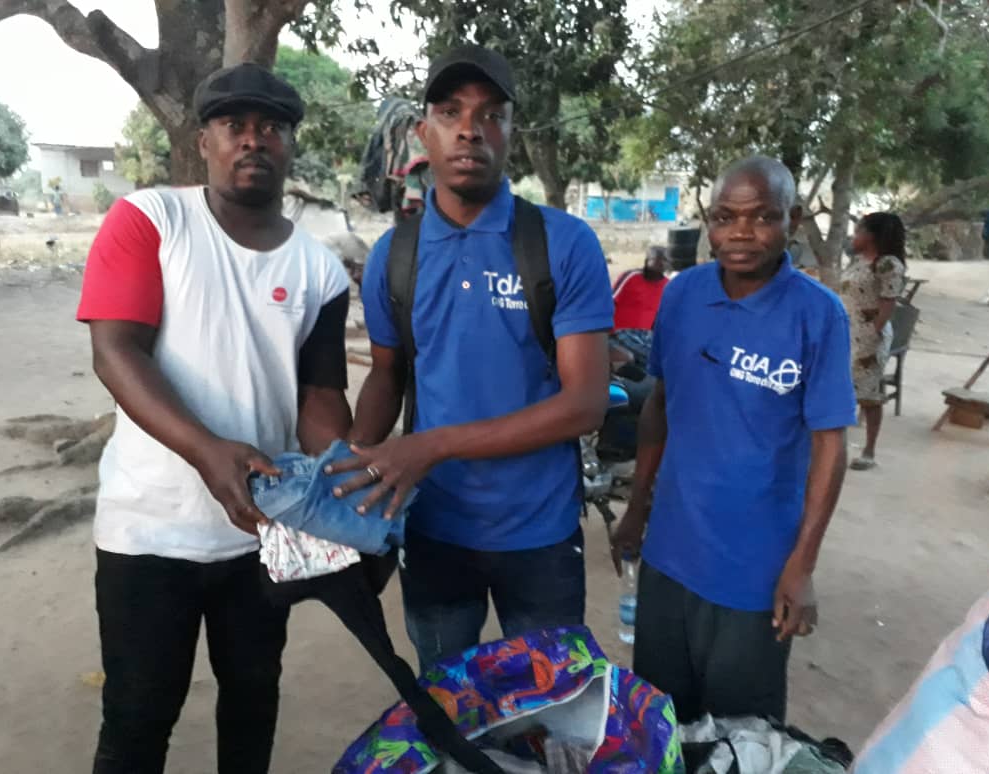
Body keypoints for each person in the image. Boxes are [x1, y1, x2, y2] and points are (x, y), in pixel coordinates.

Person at [76, 63, 353, 773]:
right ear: (205, 141)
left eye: (272, 127)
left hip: (257, 537)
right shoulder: (149, 220)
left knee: (253, 702)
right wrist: (206, 449)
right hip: (147, 533)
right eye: (235, 125)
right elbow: (116, 351)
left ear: (290, 145)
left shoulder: (319, 268)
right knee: (138, 718)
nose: (253, 140)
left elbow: (318, 398)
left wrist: (346, 474)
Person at [327, 44, 613, 669]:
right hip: (432, 530)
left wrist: (430, 446)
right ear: (422, 132)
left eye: (490, 114)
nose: (469, 129)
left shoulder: (562, 245)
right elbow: (386, 373)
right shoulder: (393, 257)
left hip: (540, 533)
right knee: (448, 707)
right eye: (451, 111)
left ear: (510, 132)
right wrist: (346, 472)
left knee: (548, 716)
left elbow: (585, 404)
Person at [612, 156, 856, 724]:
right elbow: (661, 407)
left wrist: (802, 564)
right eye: (725, 217)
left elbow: (829, 446)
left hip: (755, 571)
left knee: (738, 734)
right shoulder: (683, 295)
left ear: (791, 220)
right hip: (670, 555)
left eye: (762, 217)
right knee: (661, 720)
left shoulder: (817, 315)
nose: (741, 233)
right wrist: (636, 509)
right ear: (708, 220)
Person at [841, 213, 907, 471]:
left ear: (872, 236)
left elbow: (888, 303)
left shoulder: (887, 265)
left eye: (858, 232)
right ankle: (834, 444)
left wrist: (873, 333)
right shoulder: (858, 261)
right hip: (846, 332)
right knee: (842, 388)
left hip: (869, 336)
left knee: (868, 394)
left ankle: (869, 451)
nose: (853, 237)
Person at [612, 245, 670, 331]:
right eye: (657, 259)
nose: (662, 263)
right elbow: (610, 301)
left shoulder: (668, 285)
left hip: (644, 338)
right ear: (647, 261)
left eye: (665, 260)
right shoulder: (631, 277)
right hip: (618, 334)